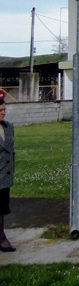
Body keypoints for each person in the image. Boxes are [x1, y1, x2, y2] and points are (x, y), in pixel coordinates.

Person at [0, 93, 15, 252]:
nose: (3, 112)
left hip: (5, 176)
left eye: (4, 109)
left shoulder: (8, 127)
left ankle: (1, 236)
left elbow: (11, 151)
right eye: (0, 110)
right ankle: (2, 238)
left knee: (2, 208)